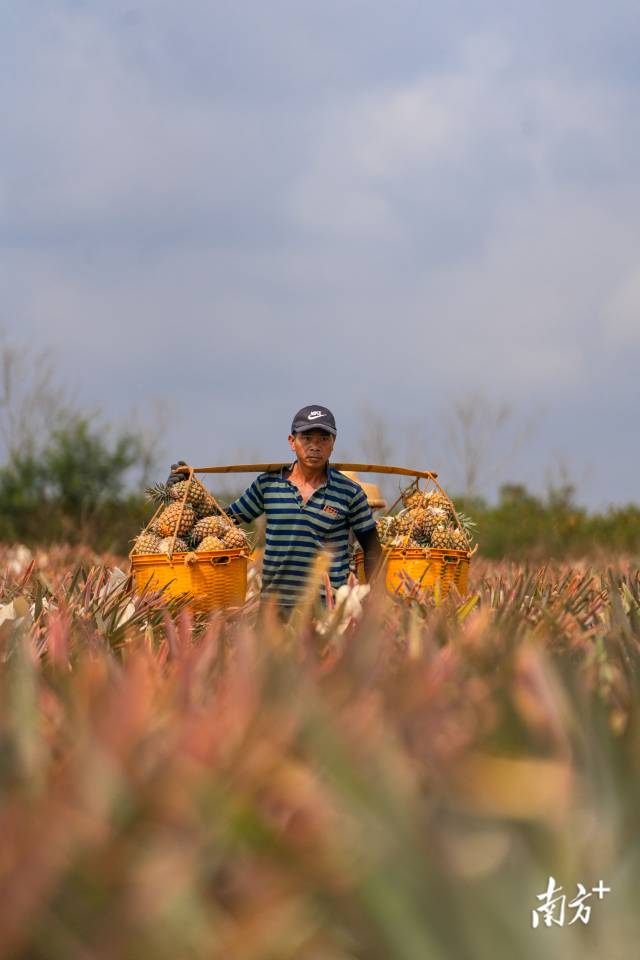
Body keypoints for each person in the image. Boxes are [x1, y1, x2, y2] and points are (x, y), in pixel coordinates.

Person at [169, 404, 382, 611]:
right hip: (274, 609)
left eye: (323, 439)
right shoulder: (268, 485)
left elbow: (372, 548)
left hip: (327, 608)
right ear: (292, 441)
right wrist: (185, 489)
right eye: (306, 438)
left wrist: (370, 593)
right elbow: (224, 520)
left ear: (333, 442)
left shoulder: (349, 492)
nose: (315, 446)